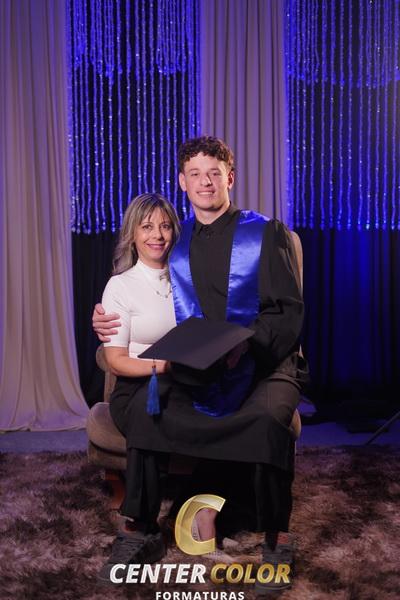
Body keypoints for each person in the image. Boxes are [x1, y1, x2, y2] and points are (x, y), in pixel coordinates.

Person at [93, 137, 306, 592]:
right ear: (182, 182)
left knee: (269, 418)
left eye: (214, 173)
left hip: (265, 362)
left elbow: (287, 312)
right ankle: (139, 529)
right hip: (203, 366)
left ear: (231, 177)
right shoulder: (175, 241)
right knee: (148, 411)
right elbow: (141, 285)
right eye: (195, 174)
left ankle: (278, 538)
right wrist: (105, 317)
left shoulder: (267, 234)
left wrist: (245, 349)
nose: (205, 182)